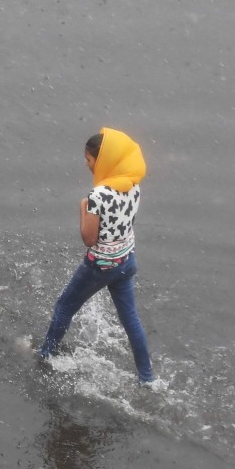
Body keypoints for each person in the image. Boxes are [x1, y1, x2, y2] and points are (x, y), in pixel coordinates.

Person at [37, 128, 156, 384]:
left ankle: (45, 355)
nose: (88, 166)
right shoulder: (134, 184)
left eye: (90, 161)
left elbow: (89, 239)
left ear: (103, 162)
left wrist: (83, 208)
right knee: (130, 319)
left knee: (64, 307)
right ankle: (147, 377)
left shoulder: (97, 196)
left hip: (100, 266)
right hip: (126, 260)